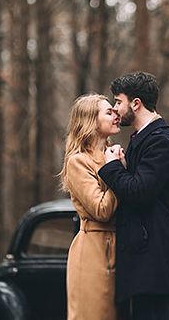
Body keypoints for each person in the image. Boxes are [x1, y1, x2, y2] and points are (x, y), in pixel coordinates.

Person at [98, 72, 169, 320]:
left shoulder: (160, 140)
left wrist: (112, 167)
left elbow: (139, 193)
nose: (116, 109)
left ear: (136, 104)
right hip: (145, 262)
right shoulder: (143, 139)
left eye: (118, 101)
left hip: (154, 264)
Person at [59, 94, 122, 320]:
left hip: (121, 246)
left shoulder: (114, 154)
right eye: (108, 112)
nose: (116, 114)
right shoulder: (78, 161)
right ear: (91, 121)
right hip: (94, 250)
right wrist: (116, 170)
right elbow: (101, 210)